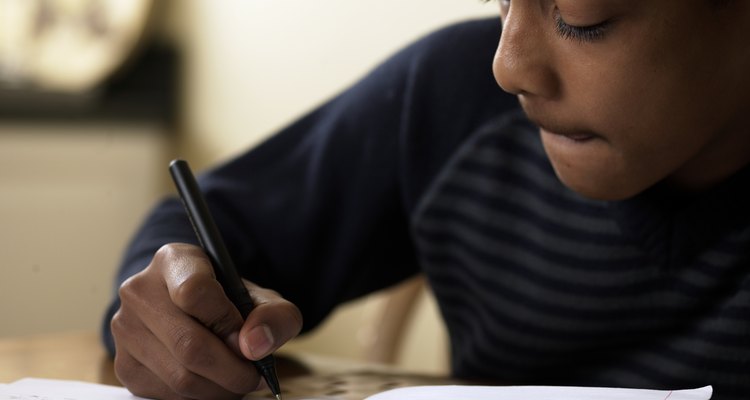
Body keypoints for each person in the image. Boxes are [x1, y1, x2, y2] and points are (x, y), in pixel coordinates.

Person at [103, 1, 750, 399]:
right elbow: (203, 226)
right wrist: (176, 312)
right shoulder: (455, 101)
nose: (510, 66)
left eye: (582, 20)